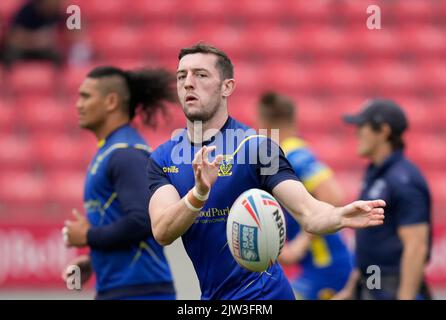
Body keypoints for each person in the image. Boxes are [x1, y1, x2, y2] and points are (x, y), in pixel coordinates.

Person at [146, 43, 385, 300]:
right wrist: (199, 194)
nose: (188, 83)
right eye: (182, 76)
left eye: (201, 75)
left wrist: (339, 216)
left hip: (265, 296)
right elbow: (162, 231)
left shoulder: (257, 147)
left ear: (227, 87)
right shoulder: (163, 157)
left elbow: (308, 212)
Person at [61, 66, 176, 300]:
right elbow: (120, 220)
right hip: (121, 289)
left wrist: (89, 237)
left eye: (86, 96)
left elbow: (143, 220)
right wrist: (96, 259)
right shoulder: (111, 149)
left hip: (142, 292)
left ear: (111, 101)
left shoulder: (126, 153)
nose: (78, 104)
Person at [257, 92, 353, 300]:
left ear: (266, 124)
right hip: (318, 267)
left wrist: (301, 243)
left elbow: (333, 194)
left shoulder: (293, 156)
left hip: (327, 265)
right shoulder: (291, 153)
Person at [336, 99, 432, 300]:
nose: (357, 132)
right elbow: (372, 239)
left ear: (384, 131)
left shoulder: (404, 179)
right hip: (372, 285)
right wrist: (352, 289)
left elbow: (416, 246)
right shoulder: (376, 173)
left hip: (392, 288)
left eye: (362, 126)